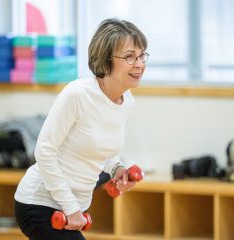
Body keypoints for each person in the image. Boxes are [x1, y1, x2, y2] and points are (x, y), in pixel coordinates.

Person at [14, 18, 148, 240]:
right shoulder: (78, 94)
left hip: (71, 207)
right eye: (129, 57)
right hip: (38, 203)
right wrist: (71, 209)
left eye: (142, 55)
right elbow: (44, 151)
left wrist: (117, 170)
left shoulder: (126, 102)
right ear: (106, 60)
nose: (139, 63)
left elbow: (101, 149)